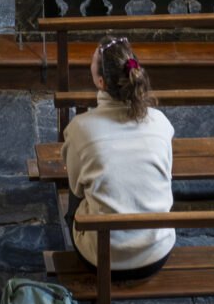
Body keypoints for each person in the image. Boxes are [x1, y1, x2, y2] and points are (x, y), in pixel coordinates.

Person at [61, 37, 175, 278]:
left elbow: (76, 187)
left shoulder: (81, 128)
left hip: (102, 257)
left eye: (92, 61)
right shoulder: (161, 123)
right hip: (156, 251)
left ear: (100, 82)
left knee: (76, 191)